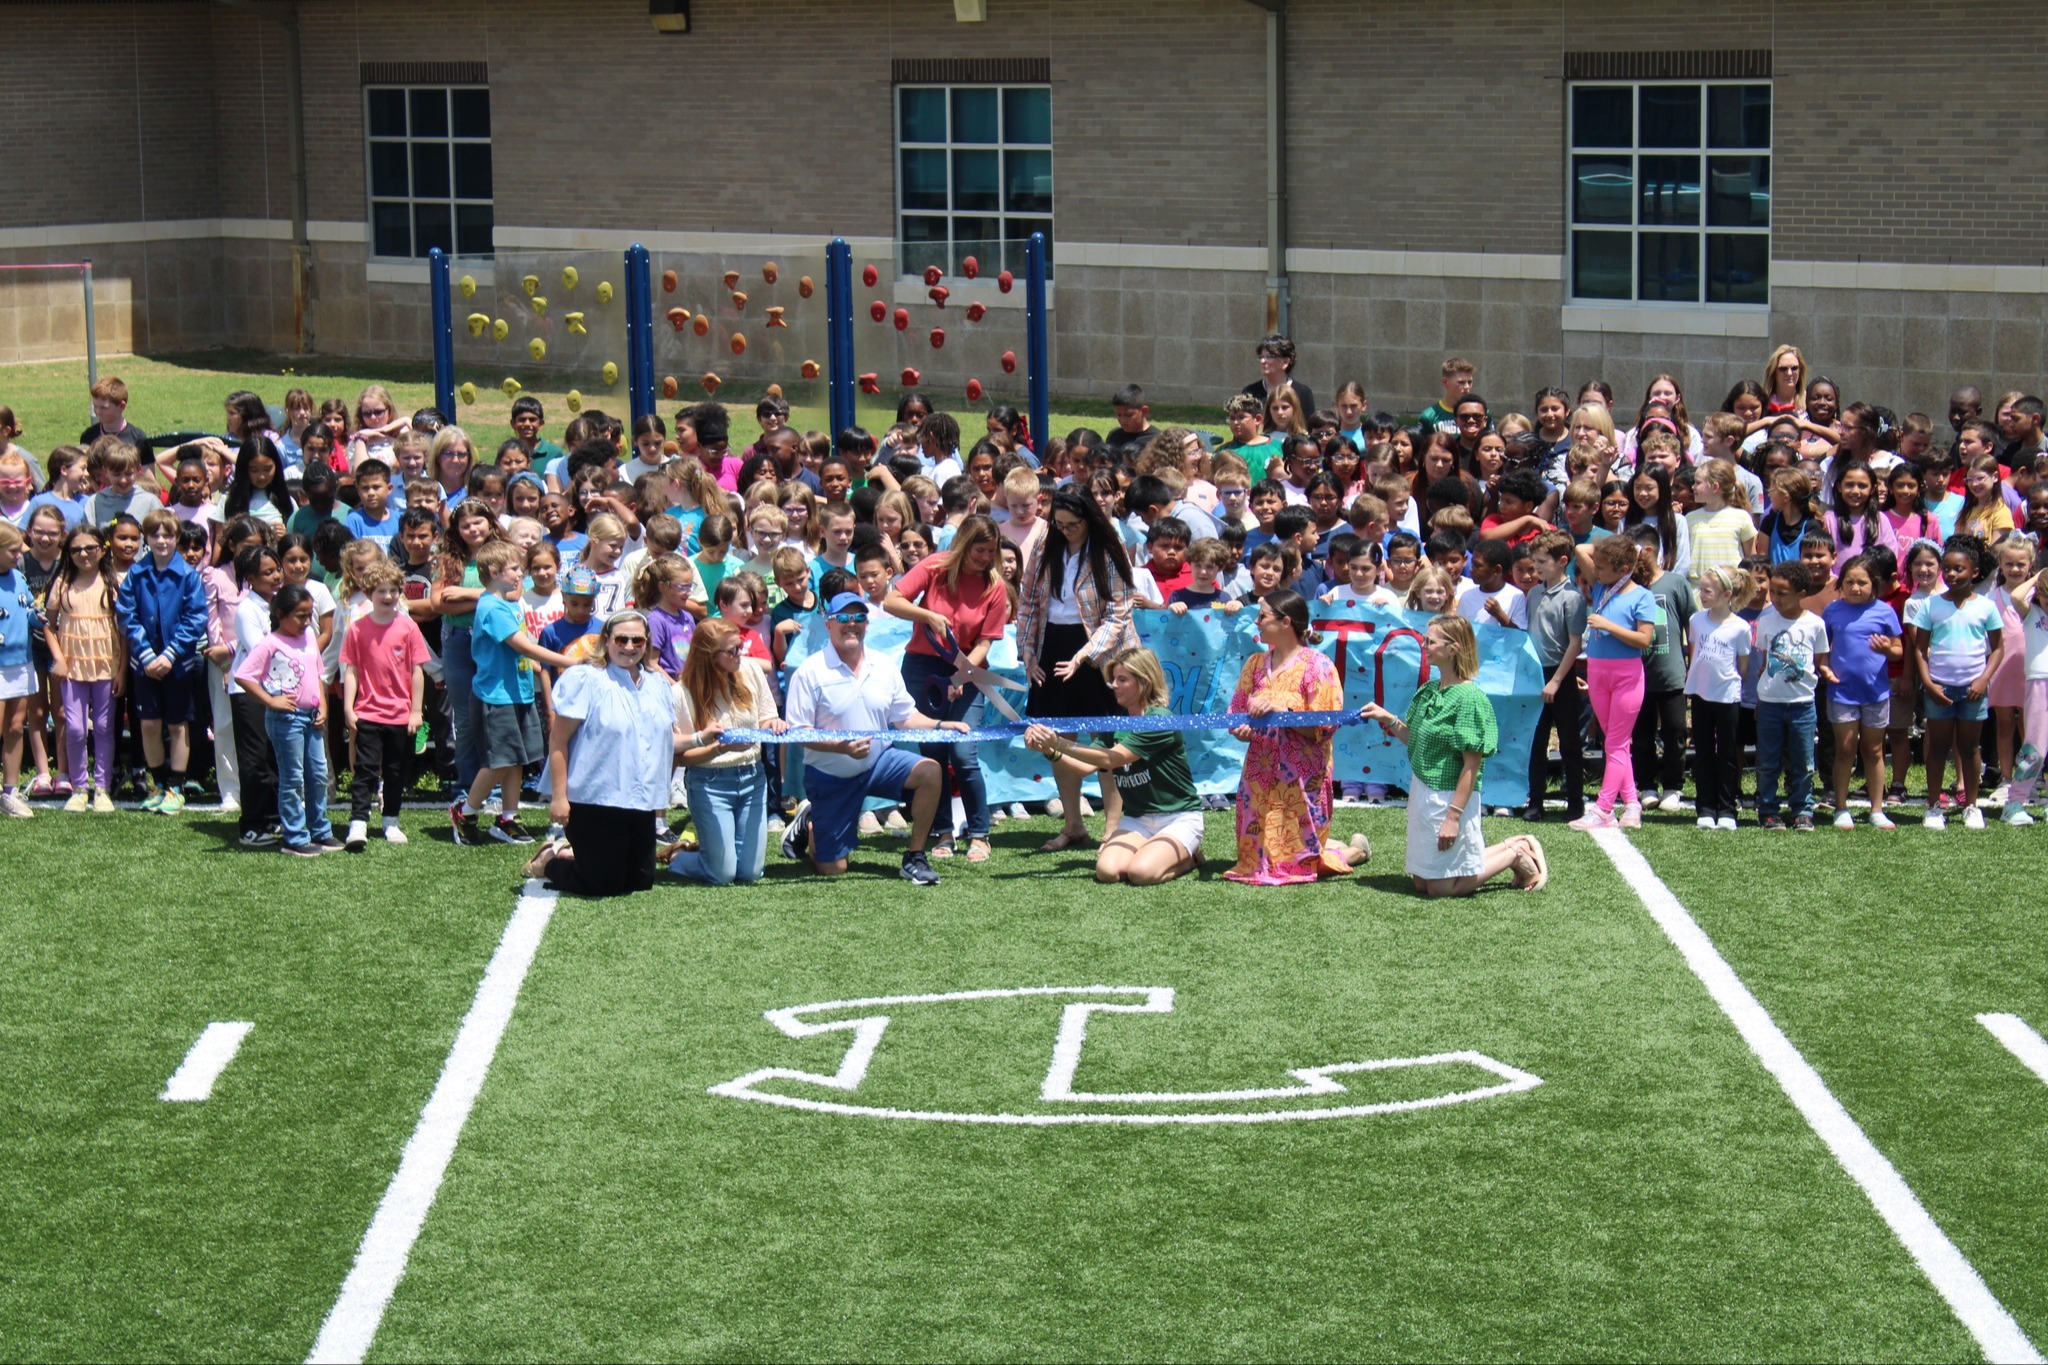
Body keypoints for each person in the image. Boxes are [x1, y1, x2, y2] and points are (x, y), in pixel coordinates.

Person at [780, 591, 970, 885]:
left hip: (880, 761)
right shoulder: (810, 672)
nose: (851, 624)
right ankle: (809, 824)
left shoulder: (883, 666)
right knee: (833, 869)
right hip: (831, 775)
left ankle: (915, 856)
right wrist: (840, 747)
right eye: (843, 617)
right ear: (828, 624)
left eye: (859, 618)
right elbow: (797, 733)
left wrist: (941, 724)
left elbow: (905, 717)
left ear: (868, 625)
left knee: (931, 770)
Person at [1361, 615, 1547, 896]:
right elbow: (1414, 739)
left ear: (1453, 648)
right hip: (1423, 791)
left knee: (1441, 889)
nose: (1424, 645)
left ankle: (1515, 852)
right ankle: (1513, 847)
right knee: (1423, 883)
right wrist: (1387, 718)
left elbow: (1472, 765)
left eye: (1430, 641)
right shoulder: (1429, 691)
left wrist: (1454, 816)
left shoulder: (1469, 698)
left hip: (1450, 796)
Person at [883, 513, 1009, 862]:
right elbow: (891, 601)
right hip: (923, 668)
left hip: (968, 669)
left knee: (963, 755)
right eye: (979, 551)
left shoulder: (994, 586)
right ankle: (942, 832)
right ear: (964, 545)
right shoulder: (935, 566)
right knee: (934, 755)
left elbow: (986, 642)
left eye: (991, 551)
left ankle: (980, 834)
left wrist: (962, 675)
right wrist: (927, 616)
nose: (985, 558)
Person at [1015, 489, 1136, 851]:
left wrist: (1086, 654)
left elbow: (1120, 610)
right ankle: (1073, 824)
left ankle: (1113, 829)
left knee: (1107, 738)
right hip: (1053, 642)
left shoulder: (1107, 547)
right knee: (1057, 737)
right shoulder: (1044, 544)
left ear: (1089, 520)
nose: (1065, 530)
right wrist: (1028, 652)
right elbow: (1028, 599)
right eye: (1059, 524)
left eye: (1073, 525)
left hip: (1104, 651)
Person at [529, 611, 682, 893]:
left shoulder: (658, 684)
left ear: (646, 642)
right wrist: (560, 798)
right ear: (607, 641)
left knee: (640, 882)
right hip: (593, 799)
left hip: (640, 800)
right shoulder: (586, 679)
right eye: (621, 639)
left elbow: (671, 742)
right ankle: (549, 860)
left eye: (637, 640)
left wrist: (706, 741)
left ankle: (578, 853)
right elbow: (558, 741)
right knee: (601, 884)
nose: (629, 647)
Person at [1024, 647, 1204, 885]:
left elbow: (1112, 759)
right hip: (1137, 819)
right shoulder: (1116, 722)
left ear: (1144, 682)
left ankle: (1190, 857)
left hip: (1178, 818)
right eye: (1113, 680)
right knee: (1107, 872)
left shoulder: (1160, 720)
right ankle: (1159, 852)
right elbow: (1083, 767)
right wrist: (1049, 750)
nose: (1114, 686)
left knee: (1142, 874)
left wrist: (1058, 742)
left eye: (1122, 680)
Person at [1223, 590, 1366, 884]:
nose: (1257, 623)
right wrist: (1243, 728)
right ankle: (1335, 848)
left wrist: (1281, 710)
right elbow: (1237, 713)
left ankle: (1353, 852)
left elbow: (1324, 726)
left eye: (1262, 616)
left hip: (1302, 776)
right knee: (1254, 861)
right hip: (1259, 773)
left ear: (1286, 621)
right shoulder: (1254, 664)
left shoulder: (1319, 666)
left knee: (1299, 864)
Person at [452, 540, 576, 847]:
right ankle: (465, 812)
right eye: (515, 568)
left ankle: (508, 817)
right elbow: (522, 645)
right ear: (494, 572)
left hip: (516, 693)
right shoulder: (492, 606)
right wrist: (568, 661)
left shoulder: (506, 604)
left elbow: (524, 650)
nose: (521, 574)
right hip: (496, 696)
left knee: (516, 759)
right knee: (499, 761)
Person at [668, 618, 789, 885]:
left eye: (740, 647)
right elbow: (681, 757)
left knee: (750, 873)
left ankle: (715, 852)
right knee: (721, 875)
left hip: (753, 778)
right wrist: (721, 748)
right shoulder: (682, 693)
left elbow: (767, 718)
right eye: (732, 651)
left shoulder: (750, 671)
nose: (740, 655)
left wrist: (774, 724)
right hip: (709, 782)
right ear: (709, 656)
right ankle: (678, 856)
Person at [233, 585, 339, 857]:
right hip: (286, 719)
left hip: (312, 717)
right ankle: (294, 835)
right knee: (292, 777)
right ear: (280, 614)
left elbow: (318, 673)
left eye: (308, 615)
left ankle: (320, 830)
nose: (306, 622)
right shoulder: (271, 643)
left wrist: (323, 705)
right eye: (300, 616)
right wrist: (270, 701)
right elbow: (243, 675)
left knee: (317, 774)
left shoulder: (308, 637)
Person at [1908, 535, 2004, 830]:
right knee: (1936, 748)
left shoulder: (1986, 607)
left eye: (1958, 569)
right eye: (1947, 569)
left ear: (1974, 572)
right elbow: (1920, 650)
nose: (1951, 574)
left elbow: (1998, 648)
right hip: (1939, 688)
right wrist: (1929, 683)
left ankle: (1972, 806)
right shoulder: (1931, 606)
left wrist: (1983, 680)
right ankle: (1934, 806)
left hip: (1974, 690)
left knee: (1970, 747)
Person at [118, 509, 210, 813]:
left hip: (178, 663)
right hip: (144, 664)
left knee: (177, 724)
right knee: (148, 724)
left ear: (177, 538)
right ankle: (157, 784)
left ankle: (176, 786)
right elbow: (126, 615)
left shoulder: (187, 575)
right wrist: (146, 655)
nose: (161, 540)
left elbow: (195, 618)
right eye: (155, 534)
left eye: (167, 535)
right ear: (147, 537)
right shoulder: (136, 573)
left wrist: (169, 655)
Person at [340, 559, 431, 851]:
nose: (388, 596)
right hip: (368, 712)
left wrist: (416, 710)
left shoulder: (408, 628)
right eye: (381, 590)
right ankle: (358, 822)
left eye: (393, 590)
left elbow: (417, 670)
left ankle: (390, 819)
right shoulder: (356, 629)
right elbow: (351, 670)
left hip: (401, 715)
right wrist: (348, 707)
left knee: (395, 771)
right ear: (369, 593)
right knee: (365, 769)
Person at [1569, 536, 1658, 830]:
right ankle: (1631, 804)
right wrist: (1617, 548)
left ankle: (1604, 808)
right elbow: (1580, 549)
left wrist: (1609, 625)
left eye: (1604, 567)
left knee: (1616, 743)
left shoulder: (1643, 596)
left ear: (1623, 569)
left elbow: (1644, 640)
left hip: (1626, 675)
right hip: (1597, 671)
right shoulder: (1602, 586)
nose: (1596, 570)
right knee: (1615, 744)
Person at [42, 524, 125, 812]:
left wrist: (122, 671)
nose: (83, 554)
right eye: (76, 549)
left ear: (102, 550)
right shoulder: (63, 583)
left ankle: (101, 787)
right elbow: (49, 626)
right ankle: (79, 787)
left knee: (103, 727)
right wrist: (59, 659)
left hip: (106, 665)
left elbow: (124, 632)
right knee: (75, 728)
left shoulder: (112, 584)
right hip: (73, 668)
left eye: (90, 548)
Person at [1752, 561, 1833, 832]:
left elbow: (1818, 660)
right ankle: (1768, 809)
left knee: (1803, 761)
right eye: (1772, 592)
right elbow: (1765, 661)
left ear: (1801, 593)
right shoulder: (1765, 621)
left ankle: (1802, 809)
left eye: (1782, 593)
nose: (1774, 598)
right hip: (1770, 704)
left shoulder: (1815, 624)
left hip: (1802, 705)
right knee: (1767, 761)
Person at [1685, 565, 1757, 831]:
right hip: (1701, 693)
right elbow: (1695, 653)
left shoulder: (1740, 627)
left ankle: (1727, 808)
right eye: (1701, 590)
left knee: (1727, 753)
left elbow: (1743, 666)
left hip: (1727, 696)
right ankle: (1705, 806)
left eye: (1707, 590)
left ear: (1726, 595)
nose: (1702, 595)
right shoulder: (1696, 620)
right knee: (1703, 751)